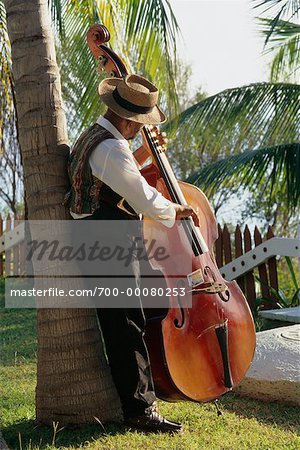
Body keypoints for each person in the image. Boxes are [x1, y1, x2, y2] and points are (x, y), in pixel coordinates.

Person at [65, 73, 199, 433]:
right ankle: (139, 409)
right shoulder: (110, 148)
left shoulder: (101, 138)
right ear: (126, 119)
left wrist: (139, 155)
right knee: (125, 325)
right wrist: (175, 209)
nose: (140, 130)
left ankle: (142, 399)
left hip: (101, 237)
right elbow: (139, 194)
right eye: (138, 125)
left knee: (129, 320)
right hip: (105, 240)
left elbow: (120, 179)